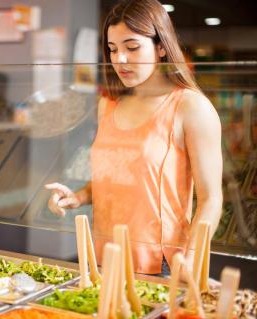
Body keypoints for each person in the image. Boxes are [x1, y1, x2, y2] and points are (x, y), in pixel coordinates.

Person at [46, 0, 222, 275]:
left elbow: (211, 199)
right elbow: (118, 176)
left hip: (162, 263)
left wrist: (192, 257)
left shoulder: (190, 107)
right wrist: (78, 196)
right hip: (104, 254)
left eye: (132, 47)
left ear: (161, 47)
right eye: (113, 49)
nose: (120, 59)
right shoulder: (110, 104)